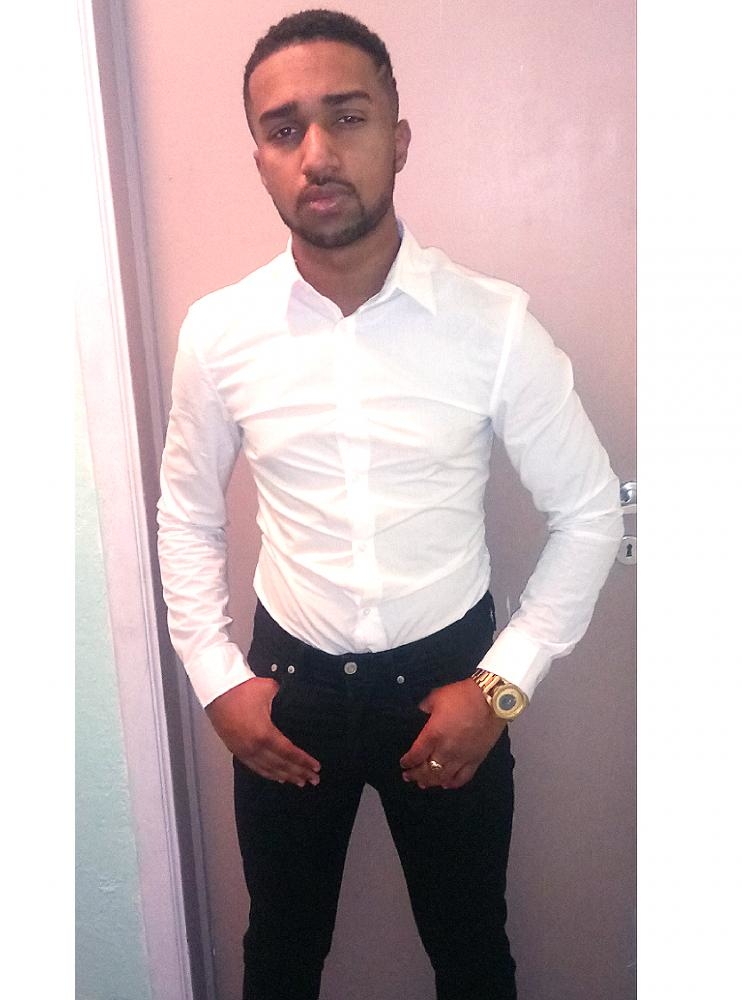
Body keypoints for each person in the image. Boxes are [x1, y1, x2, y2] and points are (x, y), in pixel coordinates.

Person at [157, 9, 623, 999]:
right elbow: (186, 511)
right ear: (260, 159)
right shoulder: (219, 334)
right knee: (279, 954)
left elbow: (589, 513)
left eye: (347, 117)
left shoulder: (493, 325)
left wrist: (501, 689)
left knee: (472, 953)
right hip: (287, 692)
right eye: (284, 129)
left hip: (452, 688)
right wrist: (216, 680)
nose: (317, 154)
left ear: (398, 140)